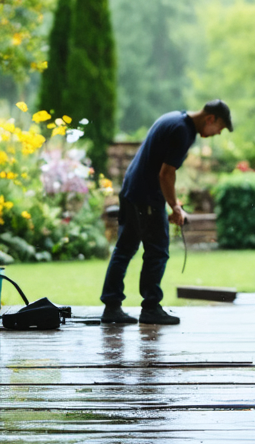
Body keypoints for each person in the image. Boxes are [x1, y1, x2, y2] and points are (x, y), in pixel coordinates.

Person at [100, 100, 233, 325]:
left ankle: (111, 307)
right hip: (146, 196)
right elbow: (166, 174)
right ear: (210, 118)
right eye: (219, 128)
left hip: (132, 190)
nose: (217, 133)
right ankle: (151, 308)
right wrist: (175, 207)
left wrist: (172, 203)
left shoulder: (174, 118)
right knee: (157, 251)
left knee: (124, 248)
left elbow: (158, 168)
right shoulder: (183, 131)